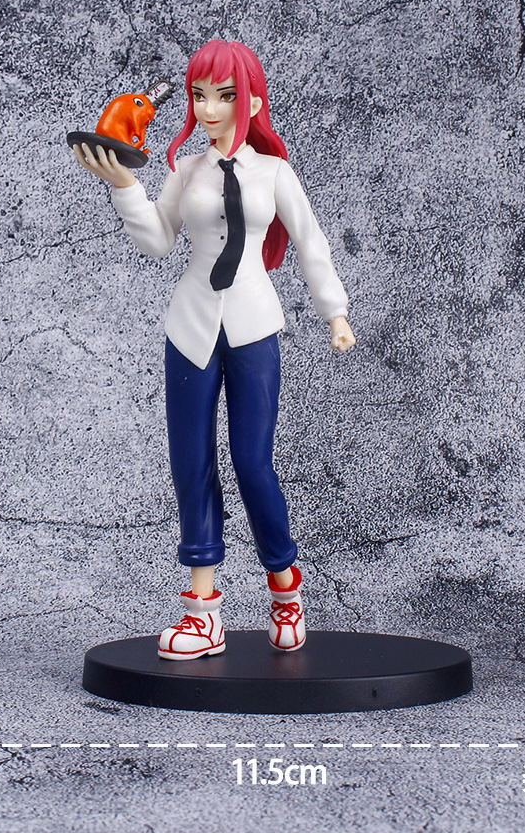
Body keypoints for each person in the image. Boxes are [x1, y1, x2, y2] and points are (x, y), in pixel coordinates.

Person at [74, 39, 355, 660]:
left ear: (250, 101)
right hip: (191, 326)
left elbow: (310, 243)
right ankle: (202, 613)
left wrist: (334, 312)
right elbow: (158, 240)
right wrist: (124, 186)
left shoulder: (274, 173)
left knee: (253, 462)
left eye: (224, 96)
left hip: (253, 325)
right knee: (191, 461)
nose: (208, 109)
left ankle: (284, 584)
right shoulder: (186, 171)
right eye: (199, 95)